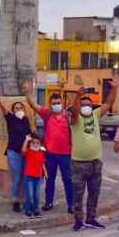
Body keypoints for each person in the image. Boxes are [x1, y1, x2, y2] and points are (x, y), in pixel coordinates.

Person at [70, 76, 119, 231]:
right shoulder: (75, 119)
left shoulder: (95, 115)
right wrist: (78, 97)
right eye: (83, 105)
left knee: (94, 192)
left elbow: (109, 103)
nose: (86, 107)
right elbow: (73, 112)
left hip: (95, 162)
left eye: (89, 105)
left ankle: (91, 218)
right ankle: (78, 221)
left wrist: (114, 88)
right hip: (79, 162)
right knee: (78, 194)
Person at [24, 85, 73, 213]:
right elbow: (32, 104)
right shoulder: (47, 113)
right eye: (53, 103)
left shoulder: (68, 116)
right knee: (49, 179)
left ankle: (71, 205)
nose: (56, 105)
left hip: (66, 154)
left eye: (58, 103)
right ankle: (49, 202)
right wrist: (27, 92)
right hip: (50, 154)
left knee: (67, 179)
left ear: (62, 103)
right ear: (50, 104)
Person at [0, 90, 34, 212]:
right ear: (13, 110)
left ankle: (28, 201)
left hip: (27, 153)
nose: (19, 109)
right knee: (16, 178)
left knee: (27, 177)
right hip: (14, 152)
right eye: (16, 108)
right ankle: (15, 201)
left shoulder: (26, 120)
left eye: (21, 107)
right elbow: (4, 109)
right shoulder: (11, 119)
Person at [21, 134, 48, 219]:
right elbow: (23, 150)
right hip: (29, 176)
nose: (35, 144)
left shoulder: (41, 152)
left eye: (37, 143)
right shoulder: (28, 151)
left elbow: (42, 163)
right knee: (29, 194)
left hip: (38, 176)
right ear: (30, 144)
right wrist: (26, 140)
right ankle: (27, 211)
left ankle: (36, 210)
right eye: (33, 143)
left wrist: (45, 172)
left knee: (36, 194)